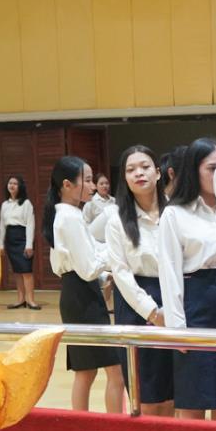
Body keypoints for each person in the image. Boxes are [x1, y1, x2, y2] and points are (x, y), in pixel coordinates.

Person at [159, 139, 216, 422]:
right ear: (194, 171)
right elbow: (169, 272)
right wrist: (176, 327)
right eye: (212, 168)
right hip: (196, 306)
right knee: (192, 396)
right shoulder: (174, 214)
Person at [47, 156, 125, 414]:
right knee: (114, 371)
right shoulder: (70, 217)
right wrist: (116, 253)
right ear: (67, 184)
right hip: (82, 296)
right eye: (88, 180)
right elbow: (88, 267)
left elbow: (84, 259)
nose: (93, 186)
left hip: (77, 293)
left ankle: (82, 426)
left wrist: (104, 265)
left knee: (86, 371)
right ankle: (114, 426)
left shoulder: (68, 213)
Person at [103, 146, 175, 416]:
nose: (139, 173)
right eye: (131, 170)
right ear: (125, 178)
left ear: (158, 172)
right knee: (146, 394)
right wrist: (152, 312)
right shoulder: (116, 220)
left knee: (174, 392)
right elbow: (121, 273)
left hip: (173, 299)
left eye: (145, 167)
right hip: (136, 305)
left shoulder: (176, 211)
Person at [0, 174, 40, 309]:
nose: (11, 185)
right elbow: (2, 225)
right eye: (10, 183)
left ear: (20, 186)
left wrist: (29, 245)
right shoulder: (5, 204)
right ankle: (21, 299)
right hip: (10, 238)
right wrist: (1, 244)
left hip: (22, 237)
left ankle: (31, 300)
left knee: (26, 270)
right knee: (17, 271)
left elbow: (30, 224)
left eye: (15, 183)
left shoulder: (26, 203)